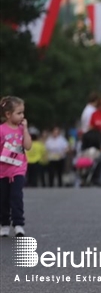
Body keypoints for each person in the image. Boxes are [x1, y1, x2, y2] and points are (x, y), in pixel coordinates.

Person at [0, 96, 32, 237]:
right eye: (19, 113)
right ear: (8, 114)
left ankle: (18, 224)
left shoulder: (21, 130)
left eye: (22, 113)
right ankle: (4, 224)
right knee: (3, 198)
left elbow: (28, 146)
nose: (22, 116)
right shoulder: (1, 130)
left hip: (18, 169)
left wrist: (25, 130)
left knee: (16, 196)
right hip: (2, 171)